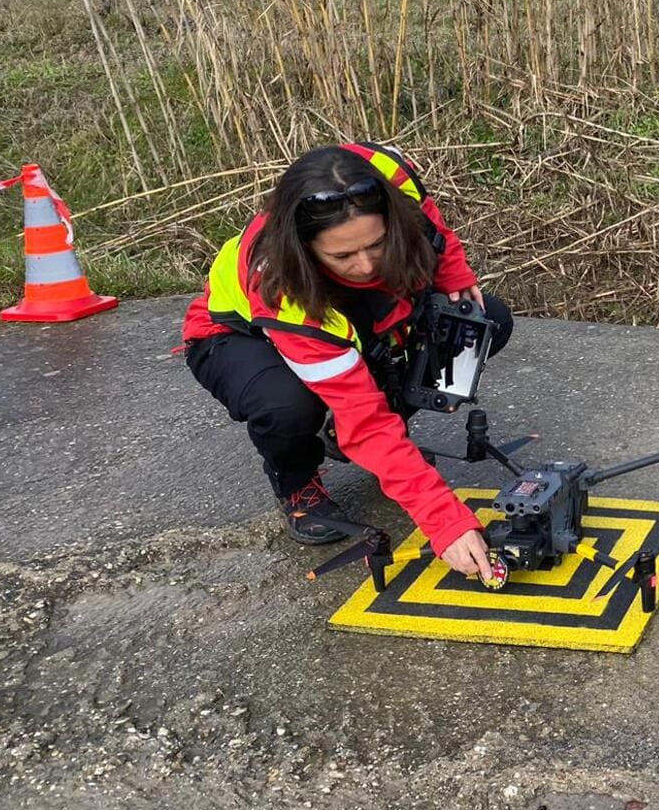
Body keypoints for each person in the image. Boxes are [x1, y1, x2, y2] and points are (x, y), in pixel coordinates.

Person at [181, 141, 512, 579]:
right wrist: (444, 520)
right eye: (342, 255)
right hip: (233, 336)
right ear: (305, 246)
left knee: (480, 324)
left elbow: (431, 226)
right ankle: (297, 482)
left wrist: (453, 276)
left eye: (377, 244)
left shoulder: (387, 174)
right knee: (289, 405)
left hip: (346, 314)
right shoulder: (281, 288)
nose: (366, 265)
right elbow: (367, 420)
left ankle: (372, 449)